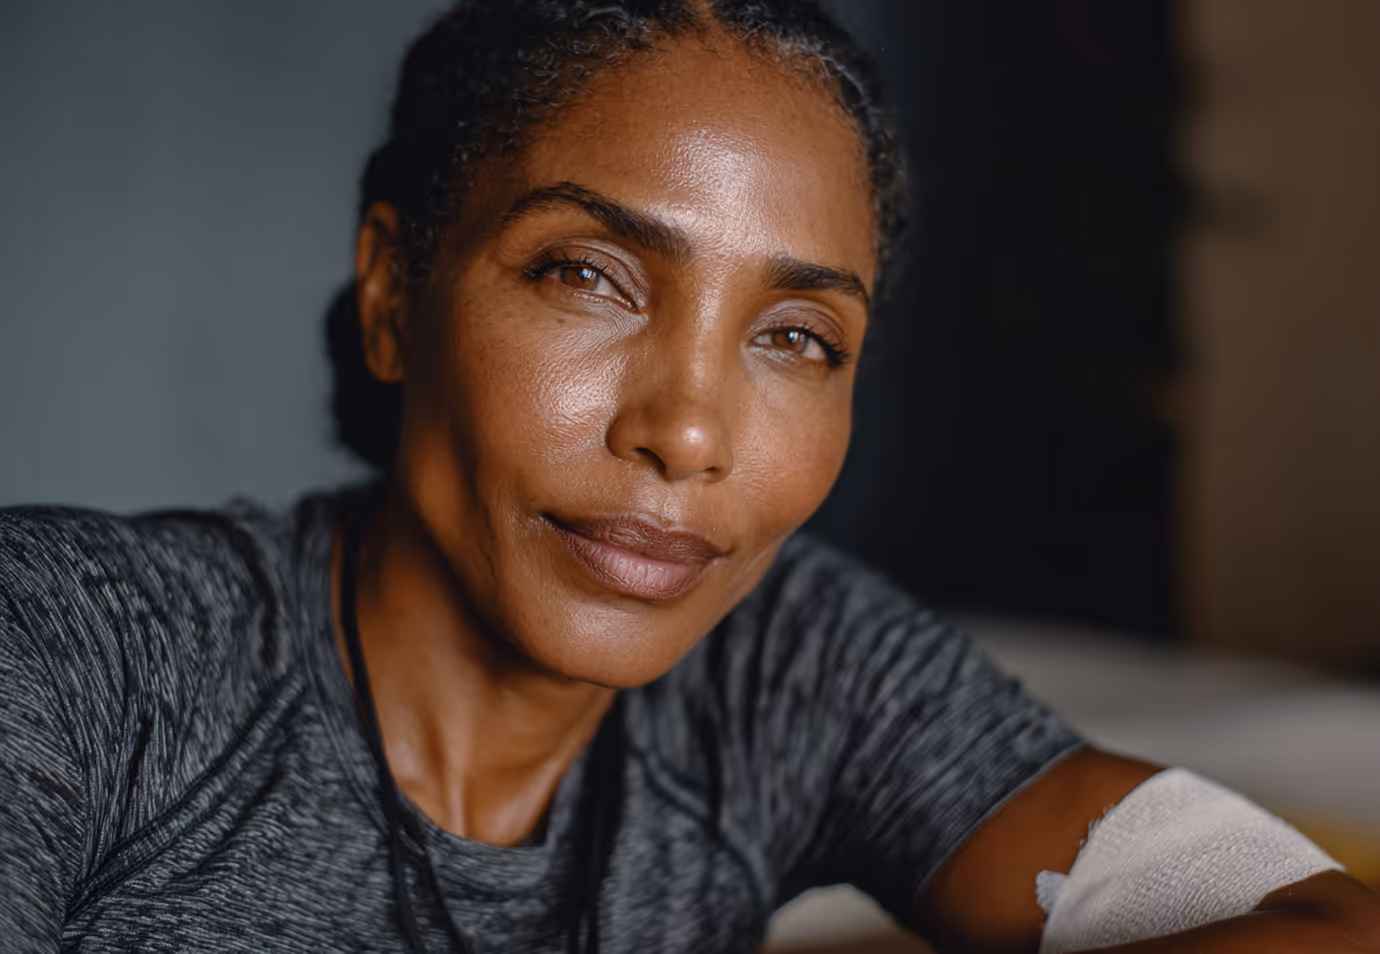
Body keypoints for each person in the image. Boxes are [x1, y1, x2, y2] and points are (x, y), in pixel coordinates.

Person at [1, 1, 1376, 952]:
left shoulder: (787, 670)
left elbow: (1320, 920)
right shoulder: (78, 650)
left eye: (796, 337)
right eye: (588, 275)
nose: (691, 431)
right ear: (392, 294)